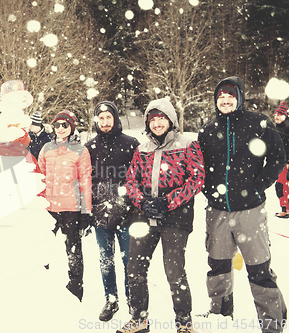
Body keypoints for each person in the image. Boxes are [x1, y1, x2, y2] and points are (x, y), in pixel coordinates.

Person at [198, 77, 287, 332]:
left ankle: (272, 322)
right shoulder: (207, 129)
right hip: (217, 211)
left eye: (230, 97)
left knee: (259, 268)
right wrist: (209, 191)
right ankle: (220, 315)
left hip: (250, 210)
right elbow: (199, 167)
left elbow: (278, 157)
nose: (225, 101)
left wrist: (258, 185)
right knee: (218, 267)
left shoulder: (258, 123)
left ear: (239, 98)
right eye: (221, 98)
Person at [118, 98, 205, 333]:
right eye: (152, 119)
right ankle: (139, 318)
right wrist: (144, 202)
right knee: (134, 269)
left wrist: (168, 202)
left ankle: (184, 323)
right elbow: (130, 180)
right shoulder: (141, 149)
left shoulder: (188, 144)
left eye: (161, 118)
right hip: (144, 216)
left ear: (171, 121)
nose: (157, 123)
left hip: (176, 217)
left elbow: (196, 179)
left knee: (174, 271)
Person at [85, 101, 139, 321]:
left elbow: (139, 178)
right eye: (101, 118)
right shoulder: (89, 147)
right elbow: (86, 180)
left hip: (127, 213)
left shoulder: (131, 144)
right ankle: (111, 299)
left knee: (130, 260)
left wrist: (133, 205)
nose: (105, 122)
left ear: (115, 119)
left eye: (109, 117)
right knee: (105, 259)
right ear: (96, 120)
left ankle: (132, 298)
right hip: (100, 214)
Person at [37, 110, 92, 302]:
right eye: (57, 124)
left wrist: (86, 211)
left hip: (71, 208)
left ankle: (75, 288)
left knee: (73, 250)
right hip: (48, 208)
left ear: (72, 127)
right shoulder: (45, 148)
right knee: (42, 248)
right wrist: (37, 204)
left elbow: (85, 181)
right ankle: (42, 284)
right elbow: (39, 178)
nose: (61, 128)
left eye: (65, 125)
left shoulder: (81, 151)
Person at [273, 101, 289, 218]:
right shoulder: (279, 127)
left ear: (285, 115)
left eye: (279, 115)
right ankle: (284, 208)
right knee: (280, 186)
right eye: (275, 115)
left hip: (286, 163)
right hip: (280, 162)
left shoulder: (287, 128)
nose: (276, 117)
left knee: (283, 186)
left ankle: (287, 209)